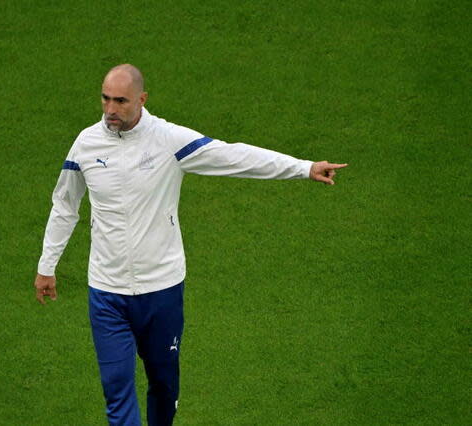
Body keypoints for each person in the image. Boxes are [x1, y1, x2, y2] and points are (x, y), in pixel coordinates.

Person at [32, 64, 347, 426]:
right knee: (117, 393)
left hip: (162, 289)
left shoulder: (168, 140)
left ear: (142, 99)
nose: (110, 109)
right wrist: (47, 265)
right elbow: (65, 204)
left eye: (120, 100)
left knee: (164, 388)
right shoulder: (86, 143)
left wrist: (303, 167)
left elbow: (235, 156)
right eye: (105, 98)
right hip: (108, 292)